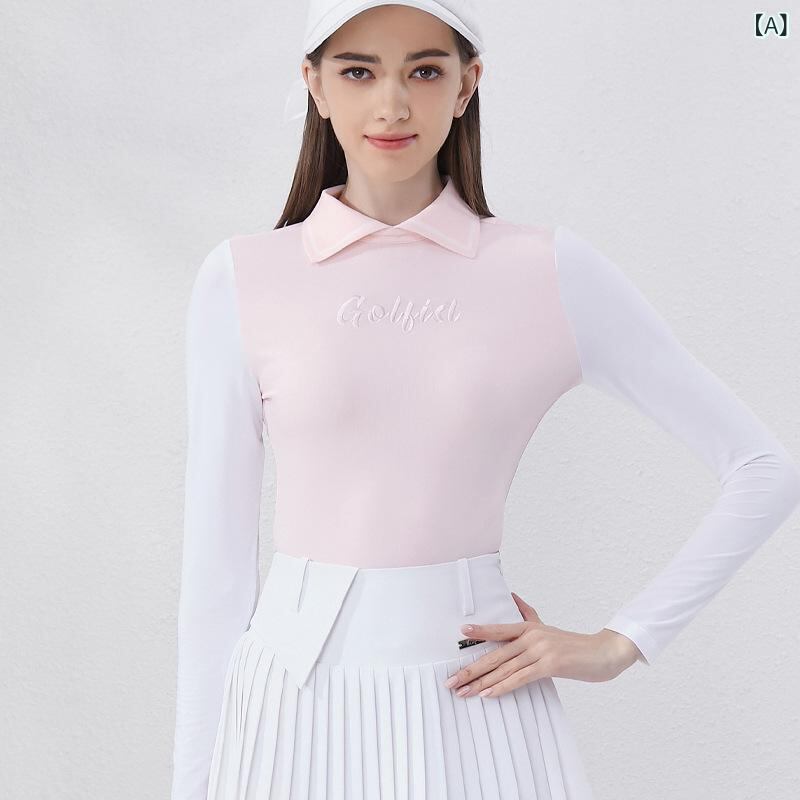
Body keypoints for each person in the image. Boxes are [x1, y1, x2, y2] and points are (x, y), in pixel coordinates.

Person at [170, 2, 800, 798]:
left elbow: (764, 467)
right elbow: (217, 572)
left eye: (424, 71)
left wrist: (620, 643)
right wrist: (193, 783)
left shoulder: (547, 270)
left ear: (467, 85)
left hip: (476, 704)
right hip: (287, 707)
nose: (392, 104)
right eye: (358, 71)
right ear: (315, 85)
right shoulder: (242, 277)